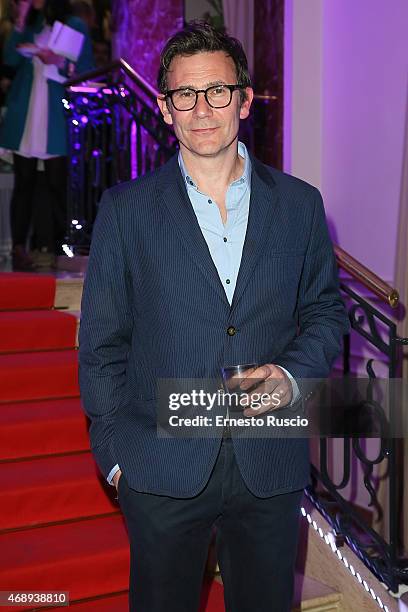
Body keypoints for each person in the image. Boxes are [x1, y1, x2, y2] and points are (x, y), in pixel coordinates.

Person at [79, 22, 349, 612]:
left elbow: (326, 310)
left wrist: (291, 375)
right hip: (161, 465)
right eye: (185, 95)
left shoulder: (301, 205)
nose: (202, 109)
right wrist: (117, 458)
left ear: (245, 100)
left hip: (269, 461)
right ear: (165, 107)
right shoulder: (127, 211)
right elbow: (101, 344)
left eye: (218, 91)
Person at [0, 0, 94, 270]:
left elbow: (85, 68)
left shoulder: (73, 25)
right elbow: (9, 60)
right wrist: (20, 21)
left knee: (57, 185)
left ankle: (58, 248)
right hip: (27, 111)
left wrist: (59, 62)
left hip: (54, 112)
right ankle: (20, 247)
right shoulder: (30, 26)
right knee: (24, 182)